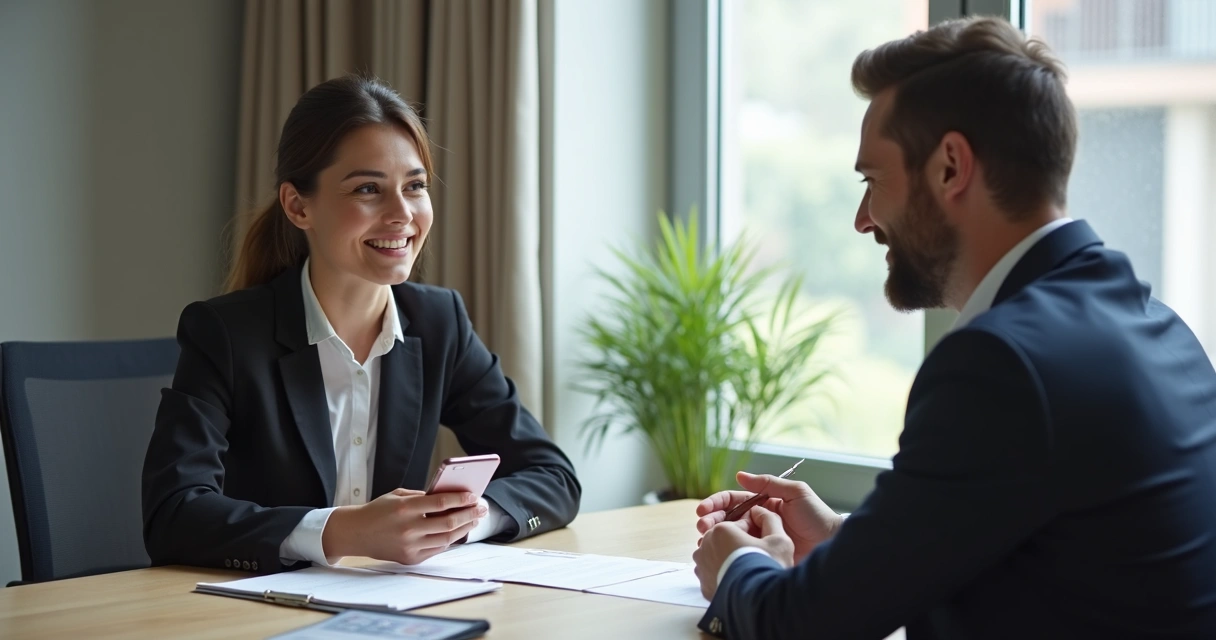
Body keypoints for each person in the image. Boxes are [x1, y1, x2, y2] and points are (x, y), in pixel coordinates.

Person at [691, 16, 1216, 639]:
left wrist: (737, 565)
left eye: (872, 181)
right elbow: (1054, 562)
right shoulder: (1162, 331)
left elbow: (800, 628)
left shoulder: (1002, 364)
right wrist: (842, 540)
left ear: (950, 167)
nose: (863, 219)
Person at [142, 75, 580, 575]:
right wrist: (345, 531)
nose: (402, 214)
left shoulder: (440, 324)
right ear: (298, 206)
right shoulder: (224, 333)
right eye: (368, 189)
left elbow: (554, 476)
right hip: (261, 606)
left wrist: (459, 521)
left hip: (393, 602)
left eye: (415, 186)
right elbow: (172, 516)